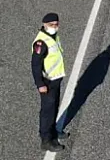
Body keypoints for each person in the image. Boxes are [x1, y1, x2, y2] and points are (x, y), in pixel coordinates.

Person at [31, 12, 69, 152]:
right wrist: (40, 84)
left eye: (56, 24)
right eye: (51, 25)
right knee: (47, 111)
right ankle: (46, 140)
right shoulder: (41, 42)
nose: (54, 26)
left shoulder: (53, 37)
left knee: (54, 108)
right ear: (45, 25)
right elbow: (35, 65)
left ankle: (53, 132)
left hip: (55, 80)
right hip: (47, 82)